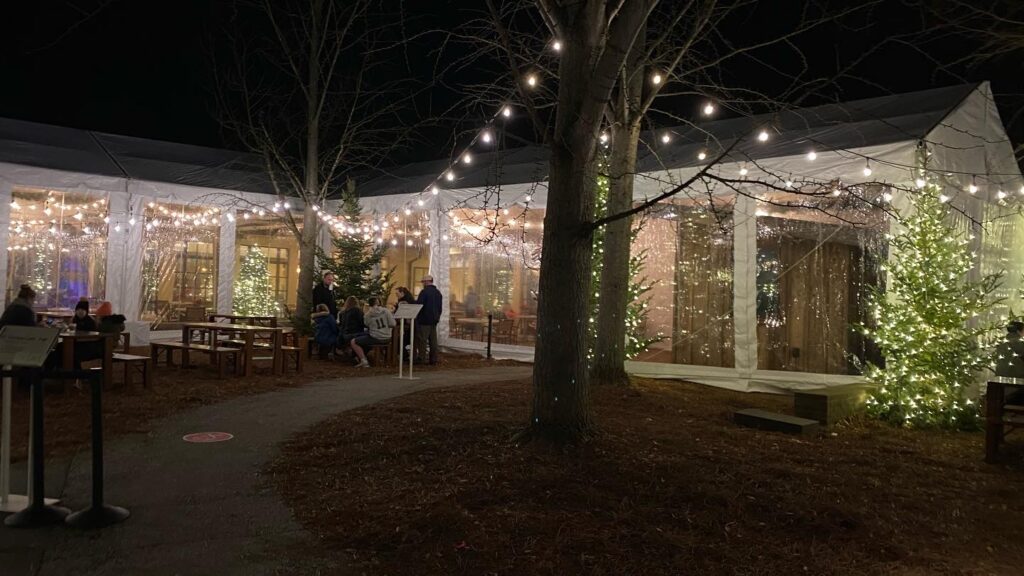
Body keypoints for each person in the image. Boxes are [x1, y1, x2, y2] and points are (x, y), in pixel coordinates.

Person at [351, 297, 396, 368]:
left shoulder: (368, 314)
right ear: (379, 303)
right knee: (364, 338)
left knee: (354, 341)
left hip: (375, 337)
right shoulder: (386, 311)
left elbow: (366, 325)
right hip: (387, 337)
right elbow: (393, 324)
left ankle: (364, 360)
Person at [414, 274, 443, 365]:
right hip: (434, 320)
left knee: (422, 340)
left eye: (423, 281)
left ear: (427, 281)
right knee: (433, 340)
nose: (423, 283)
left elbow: (419, 305)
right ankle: (433, 359)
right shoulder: (438, 292)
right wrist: (437, 317)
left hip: (424, 320)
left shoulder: (424, 292)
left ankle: (421, 358)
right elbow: (440, 307)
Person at [994, 320, 1024, 404]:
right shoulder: (1020, 344)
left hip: (1000, 377)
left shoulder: (1001, 343)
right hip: (1016, 379)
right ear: (1018, 331)